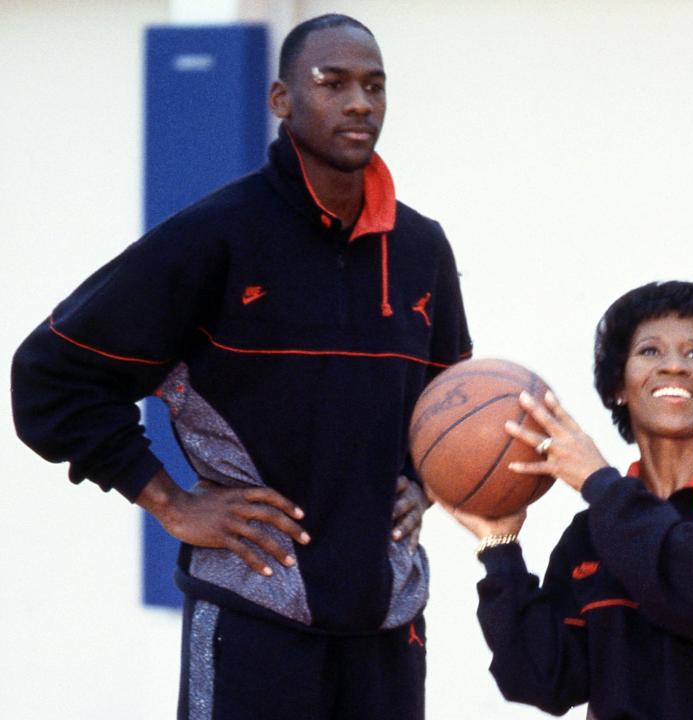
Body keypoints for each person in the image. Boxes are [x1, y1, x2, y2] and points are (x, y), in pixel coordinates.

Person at [11, 14, 471, 720]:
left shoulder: (421, 249)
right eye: (333, 82)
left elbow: (450, 405)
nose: (359, 103)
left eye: (374, 86)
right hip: (253, 618)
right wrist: (171, 502)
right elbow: (49, 375)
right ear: (281, 100)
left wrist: (428, 482)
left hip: (387, 628)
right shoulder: (218, 235)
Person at [438, 281, 693, 719]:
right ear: (619, 388)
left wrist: (599, 482)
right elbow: (542, 678)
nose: (675, 367)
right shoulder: (593, 532)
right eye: (650, 352)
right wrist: (500, 549)